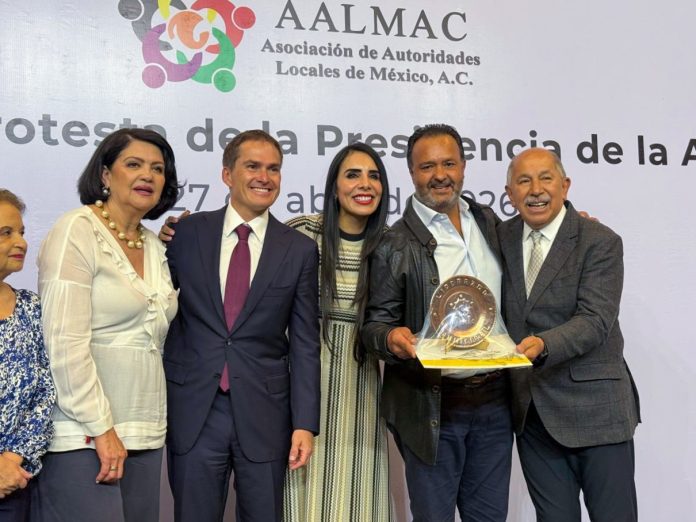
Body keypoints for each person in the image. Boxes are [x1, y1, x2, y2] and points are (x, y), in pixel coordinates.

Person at [163, 130, 320, 522]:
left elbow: (305, 342)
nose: (264, 177)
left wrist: (305, 423)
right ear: (227, 174)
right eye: (252, 166)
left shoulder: (299, 249)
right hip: (195, 409)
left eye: (274, 169)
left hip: (266, 414)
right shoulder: (186, 234)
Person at [362, 124, 511, 521]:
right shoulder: (394, 242)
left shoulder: (489, 222)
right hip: (431, 407)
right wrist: (391, 338)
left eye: (449, 163)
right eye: (427, 166)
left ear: (463, 166)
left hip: (494, 402)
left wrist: (572, 222)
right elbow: (374, 325)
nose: (440, 175)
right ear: (412, 172)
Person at [34, 128, 180, 522]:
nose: (147, 175)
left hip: (145, 431)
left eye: (158, 169)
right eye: (133, 164)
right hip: (83, 434)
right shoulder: (76, 230)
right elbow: (64, 344)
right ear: (105, 174)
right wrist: (101, 428)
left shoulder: (154, 245)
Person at [499, 147, 640, 522]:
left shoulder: (599, 240)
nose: (536, 190)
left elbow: (595, 319)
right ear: (510, 194)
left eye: (546, 178)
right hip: (534, 417)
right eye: (524, 181)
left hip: (597, 411)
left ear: (565, 185)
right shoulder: (500, 237)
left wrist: (544, 344)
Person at [283, 143, 392, 521]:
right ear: (334, 187)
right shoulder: (300, 234)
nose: (365, 184)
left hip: (362, 388)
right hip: (301, 385)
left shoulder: (391, 245)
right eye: (353, 175)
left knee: (357, 494)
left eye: (374, 176)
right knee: (302, 488)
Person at [0, 190, 55, 521]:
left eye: (20, 232)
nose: (21, 242)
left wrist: (12, 459)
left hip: (14, 483)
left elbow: (45, 394)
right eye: (6, 233)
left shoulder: (33, 308)